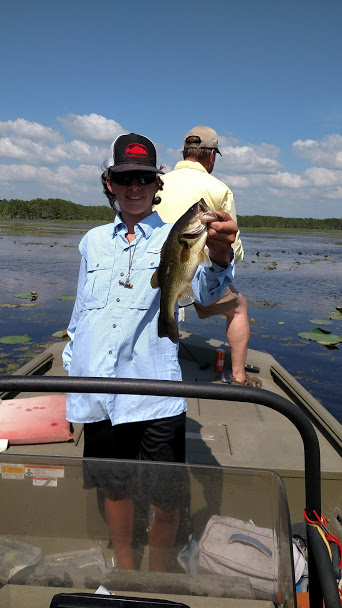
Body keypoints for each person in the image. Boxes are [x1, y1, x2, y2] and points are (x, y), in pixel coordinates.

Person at [62, 132, 238, 571]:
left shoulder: (178, 235)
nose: (135, 186)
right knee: (115, 487)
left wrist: (219, 252)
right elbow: (80, 313)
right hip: (97, 387)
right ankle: (125, 563)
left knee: (165, 493)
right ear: (109, 184)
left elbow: (204, 291)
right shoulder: (92, 242)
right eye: (125, 178)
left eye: (144, 177)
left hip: (154, 390)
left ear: (158, 185)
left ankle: (159, 570)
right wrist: (70, 377)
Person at [157, 126, 261, 387]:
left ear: (184, 152)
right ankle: (238, 378)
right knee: (239, 307)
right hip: (194, 273)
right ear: (211, 155)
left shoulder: (157, 183)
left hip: (160, 269)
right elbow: (233, 250)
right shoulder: (220, 189)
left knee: (165, 304)